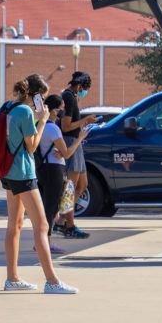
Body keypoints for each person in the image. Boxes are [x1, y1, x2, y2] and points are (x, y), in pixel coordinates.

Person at [0, 74, 78, 294]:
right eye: (43, 97)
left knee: (15, 225)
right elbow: (32, 147)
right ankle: (52, 281)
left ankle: (12, 278)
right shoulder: (24, 112)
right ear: (37, 96)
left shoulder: (7, 106)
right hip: (23, 173)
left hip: (7, 172)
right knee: (41, 226)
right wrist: (42, 120)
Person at [36, 93, 88, 255]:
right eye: (60, 109)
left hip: (41, 169)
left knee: (45, 207)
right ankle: (47, 242)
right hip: (54, 169)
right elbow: (66, 153)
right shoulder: (53, 128)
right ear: (52, 110)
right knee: (51, 208)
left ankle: (40, 241)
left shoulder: (39, 125)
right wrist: (80, 138)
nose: (62, 112)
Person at [55, 71, 98, 238]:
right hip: (70, 141)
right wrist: (86, 120)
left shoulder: (71, 96)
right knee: (70, 188)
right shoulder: (69, 98)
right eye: (85, 88)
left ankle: (60, 222)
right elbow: (66, 126)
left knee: (82, 184)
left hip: (76, 142)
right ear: (80, 86)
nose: (85, 92)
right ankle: (69, 225)